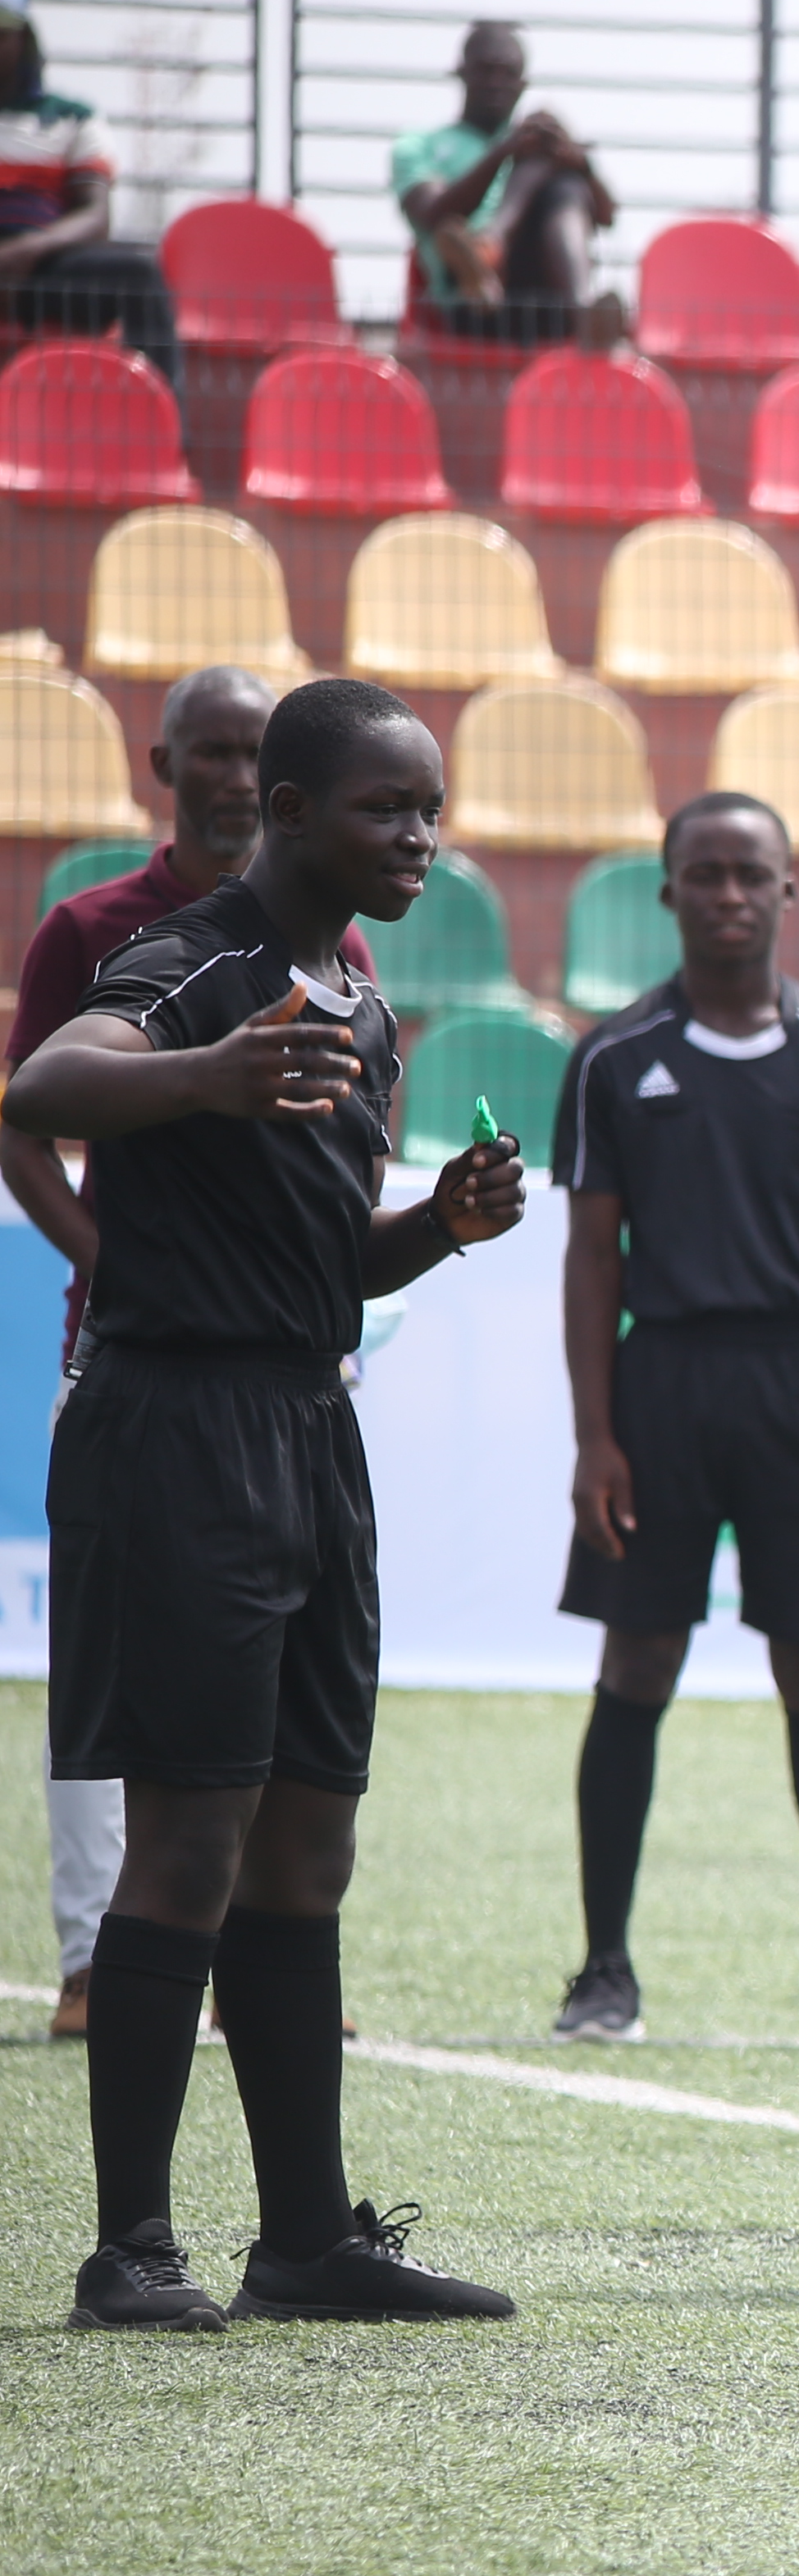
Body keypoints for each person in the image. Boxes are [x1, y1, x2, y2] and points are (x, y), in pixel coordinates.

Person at [14, 677, 529, 2331]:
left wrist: (440, 1222)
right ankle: (130, 2249)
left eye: (432, 811)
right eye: (391, 810)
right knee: (189, 1842)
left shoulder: (358, 1003)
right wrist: (206, 1073)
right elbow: (44, 1091)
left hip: (312, 1428)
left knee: (307, 1845)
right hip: (178, 1432)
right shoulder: (192, 972)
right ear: (289, 809)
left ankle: (306, 2242)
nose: (422, 841)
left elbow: (327, 1262)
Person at [546, 792, 799, 2045]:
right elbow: (591, 1259)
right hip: (659, 1385)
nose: (727, 894)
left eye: (750, 875)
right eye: (704, 874)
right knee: (638, 1661)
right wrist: (594, 1436)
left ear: (788, 894)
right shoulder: (614, 1058)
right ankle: (603, 1970)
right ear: (667, 893)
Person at [8, 668, 348, 2048]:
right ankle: (99, 1951)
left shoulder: (343, 948)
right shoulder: (96, 930)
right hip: (144, 1371)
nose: (227, 771)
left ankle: (252, 1949)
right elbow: (25, 1110)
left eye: (251, 748)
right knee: (125, 1698)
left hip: (294, 1381)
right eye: (209, 748)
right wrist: (105, 1254)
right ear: (166, 763)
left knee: (274, 1717)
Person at [390, 21, 624, 348]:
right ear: (461, 72)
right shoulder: (419, 145)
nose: (496, 82)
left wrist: (579, 164)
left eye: (508, 72)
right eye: (486, 70)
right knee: (543, 162)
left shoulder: (537, 142)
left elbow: (607, 216)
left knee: (561, 180)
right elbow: (432, 214)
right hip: (469, 302)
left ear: (522, 83)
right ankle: (481, 261)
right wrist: (503, 152)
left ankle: (492, 250)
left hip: (544, 303)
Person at [0, 10, 171, 382]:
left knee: (138, 275)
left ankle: (167, 429)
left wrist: (29, 250)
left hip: (40, 271)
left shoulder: (73, 118)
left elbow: (95, 216)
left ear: (24, 41)